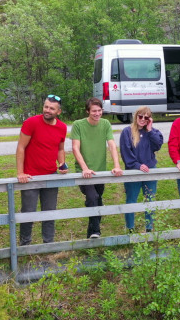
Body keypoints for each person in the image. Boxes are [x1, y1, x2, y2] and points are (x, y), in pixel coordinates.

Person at [16, 94, 68, 246]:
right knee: (28, 212)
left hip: (50, 175)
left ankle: (48, 244)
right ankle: (25, 245)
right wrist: (20, 173)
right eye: (46, 107)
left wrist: (62, 164)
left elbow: (60, 149)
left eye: (52, 108)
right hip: (30, 176)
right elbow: (21, 148)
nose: (47, 110)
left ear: (58, 112)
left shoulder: (62, 127)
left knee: (49, 212)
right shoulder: (31, 122)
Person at [71, 97, 123, 239]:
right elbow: (75, 148)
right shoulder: (78, 125)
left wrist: (117, 165)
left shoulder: (105, 124)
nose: (97, 113)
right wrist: (84, 168)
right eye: (94, 111)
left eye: (99, 110)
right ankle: (96, 231)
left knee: (97, 200)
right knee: (92, 197)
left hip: (101, 171)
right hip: (84, 172)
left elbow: (112, 145)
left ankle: (91, 235)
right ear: (88, 111)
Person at [120, 106, 163, 232]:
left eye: (146, 117)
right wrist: (137, 165)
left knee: (150, 199)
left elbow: (158, 145)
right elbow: (125, 152)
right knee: (131, 199)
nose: (143, 119)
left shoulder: (152, 132)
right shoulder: (127, 132)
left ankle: (149, 228)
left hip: (150, 170)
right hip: (133, 171)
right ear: (136, 116)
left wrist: (150, 130)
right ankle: (130, 228)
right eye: (140, 116)